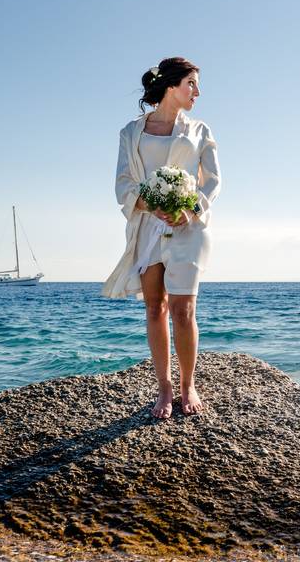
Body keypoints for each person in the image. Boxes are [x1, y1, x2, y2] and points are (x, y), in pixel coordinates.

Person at [102, 57, 222, 419]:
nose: (197, 92)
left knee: (184, 310)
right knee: (156, 307)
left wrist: (190, 210)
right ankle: (165, 389)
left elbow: (213, 181)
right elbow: (123, 181)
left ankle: (188, 386)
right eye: (191, 83)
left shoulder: (200, 130)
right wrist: (150, 203)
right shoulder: (130, 132)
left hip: (189, 227)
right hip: (146, 226)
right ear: (171, 85)